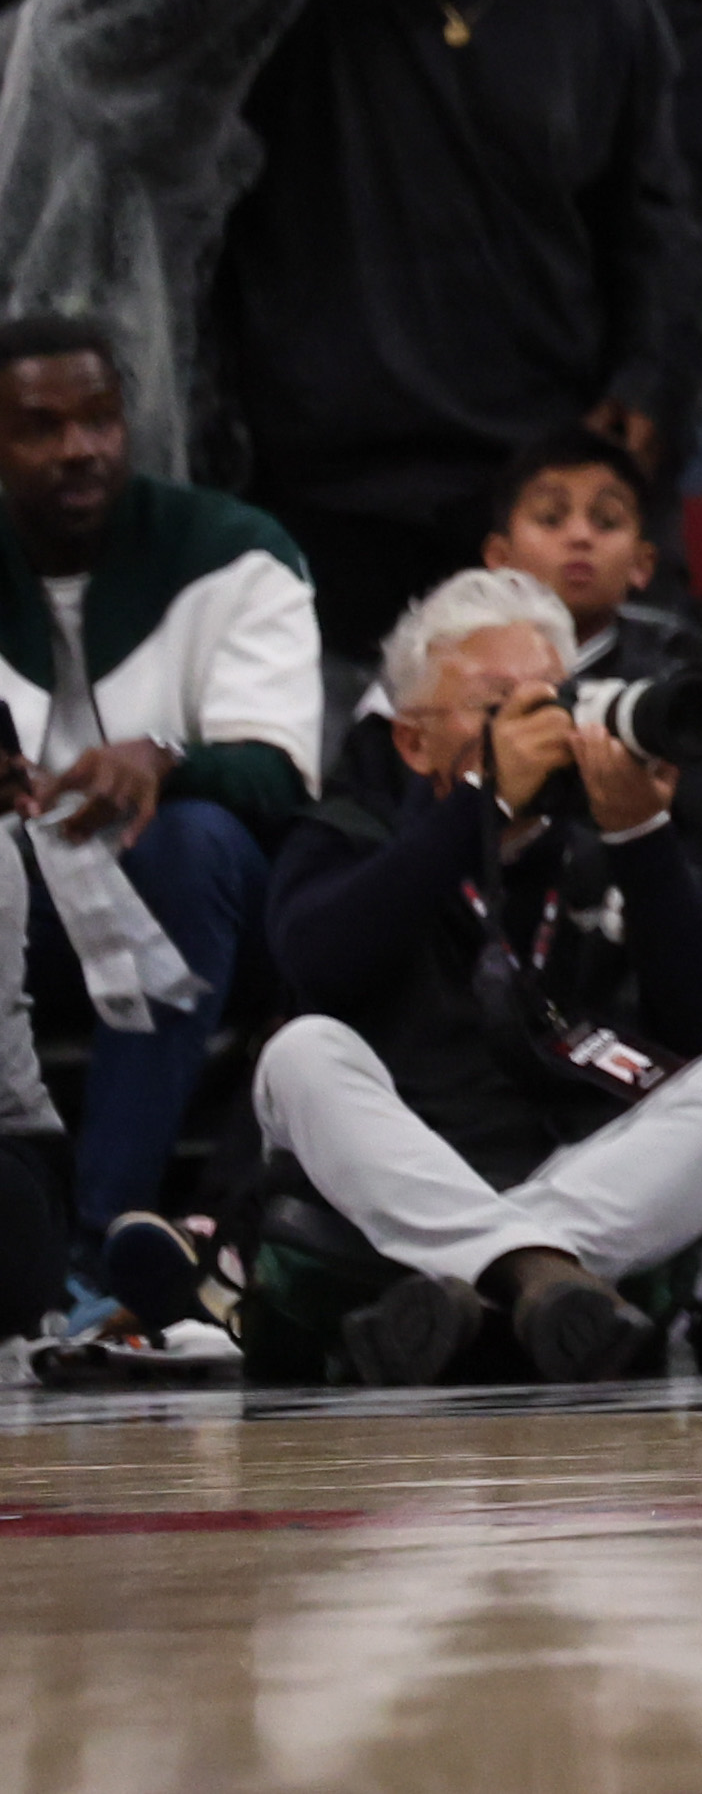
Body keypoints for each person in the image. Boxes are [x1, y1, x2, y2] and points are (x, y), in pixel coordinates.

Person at [218, 0, 702, 658]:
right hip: (318, 456)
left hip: (517, 461)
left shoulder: (603, 0)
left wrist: (648, 375)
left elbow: (655, 220)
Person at [259, 570, 702, 1388]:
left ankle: (481, 1281)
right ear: (411, 739)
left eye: (548, 700)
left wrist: (645, 839)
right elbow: (320, 965)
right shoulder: (352, 834)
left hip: (575, 1177)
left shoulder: (603, 846)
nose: (531, 727)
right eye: (495, 704)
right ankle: (535, 1279)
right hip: (396, 1192)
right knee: (300, 1053)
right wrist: (480, 807)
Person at [1, 316, 315, 1296]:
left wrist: (170, 761)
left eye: (99, 418)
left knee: (194, 841)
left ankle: (101, 1250)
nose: (79, 447)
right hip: (25, 924)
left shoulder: (232, 551)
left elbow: (281, 775)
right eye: (41, 426)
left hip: (205, 914)